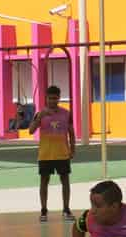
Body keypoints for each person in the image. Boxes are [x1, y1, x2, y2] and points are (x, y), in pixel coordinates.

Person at [29, 85, 75, 222]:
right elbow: (31, 130)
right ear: (46, 98)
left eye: (55, 98)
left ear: (59, 98)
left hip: (62, 153)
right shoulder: (40, 113)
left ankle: (66, 209)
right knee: (44, 181)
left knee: (65, 181)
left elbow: (71, 132)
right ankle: (43, 211)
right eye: (50, 98)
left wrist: (73, 148)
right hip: (45, 154)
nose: (53, 101)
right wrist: (39, 118)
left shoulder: (66, 113)